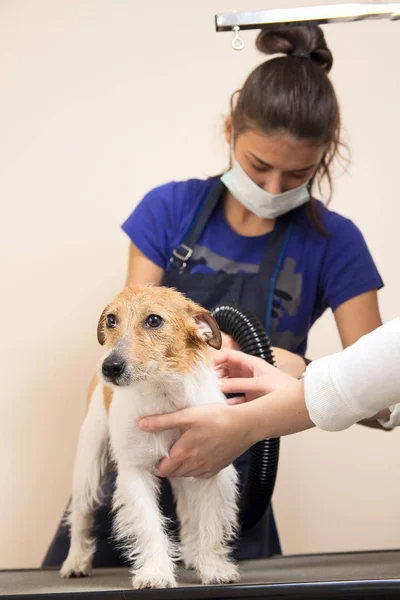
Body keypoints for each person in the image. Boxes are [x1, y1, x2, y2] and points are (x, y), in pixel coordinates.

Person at [43, 24, 383, 567]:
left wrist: (292, 366)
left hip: (237, 470)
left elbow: (380, 394)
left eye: (297, 174)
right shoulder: (168, 210)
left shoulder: (336, 244)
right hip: (139, 448)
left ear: (323, 158)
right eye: (258, 166)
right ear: (230, 131)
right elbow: (131, 334)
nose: (274, 189)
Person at [138, 319, 400, 478]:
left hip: (240, 462)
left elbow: (379, 386)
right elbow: (380, 386)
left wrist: (246, 423)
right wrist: (300, 386)